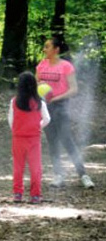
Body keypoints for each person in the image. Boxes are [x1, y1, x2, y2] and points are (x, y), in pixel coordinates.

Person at [36, 36, 95, 189]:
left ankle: (83, 175)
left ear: (56, 50)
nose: (44, 49)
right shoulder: (41, 65)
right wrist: (39, 87)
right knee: (52, 141)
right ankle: (58, 176)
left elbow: (74, 89)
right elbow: (36, 85)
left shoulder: (66, 66)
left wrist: (55, 98)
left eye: (47, 46)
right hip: (45, 107)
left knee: (67, 140)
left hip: (61, 106)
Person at [8, 72, 50, 204]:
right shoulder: (39, 103)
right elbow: (47, 119)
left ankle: (17, 194)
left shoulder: (14, 101)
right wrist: (38, 126)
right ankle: (35, 195)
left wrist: (17, 130)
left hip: (18, 138)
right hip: (34, 139)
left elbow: (11, 120)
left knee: (18, 166)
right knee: (35, 167)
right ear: (34, 85)